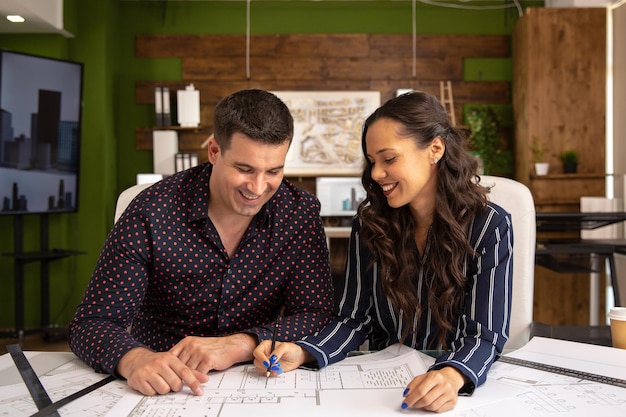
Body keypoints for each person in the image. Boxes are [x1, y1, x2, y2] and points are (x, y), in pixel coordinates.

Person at [253, 91, 513, 413]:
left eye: (389, 159)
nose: (376, 174)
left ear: (435, 149)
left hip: (451, 389)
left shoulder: (490, 226)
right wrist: (305, 351)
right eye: (373, 162)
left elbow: (485, 334)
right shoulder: (370, 223)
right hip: (379, 388)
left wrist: (451, 375)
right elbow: (352, 319)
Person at [69, 89, 334, 397]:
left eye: (273, 171)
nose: (258, 187)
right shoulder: (151, 211)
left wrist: (242, 343)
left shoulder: (298, 214)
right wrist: (134, 359)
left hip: (255, 379)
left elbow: (317, 314)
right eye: (244, 169)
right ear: (214, 152)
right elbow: (92, 322)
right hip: (164, 382)